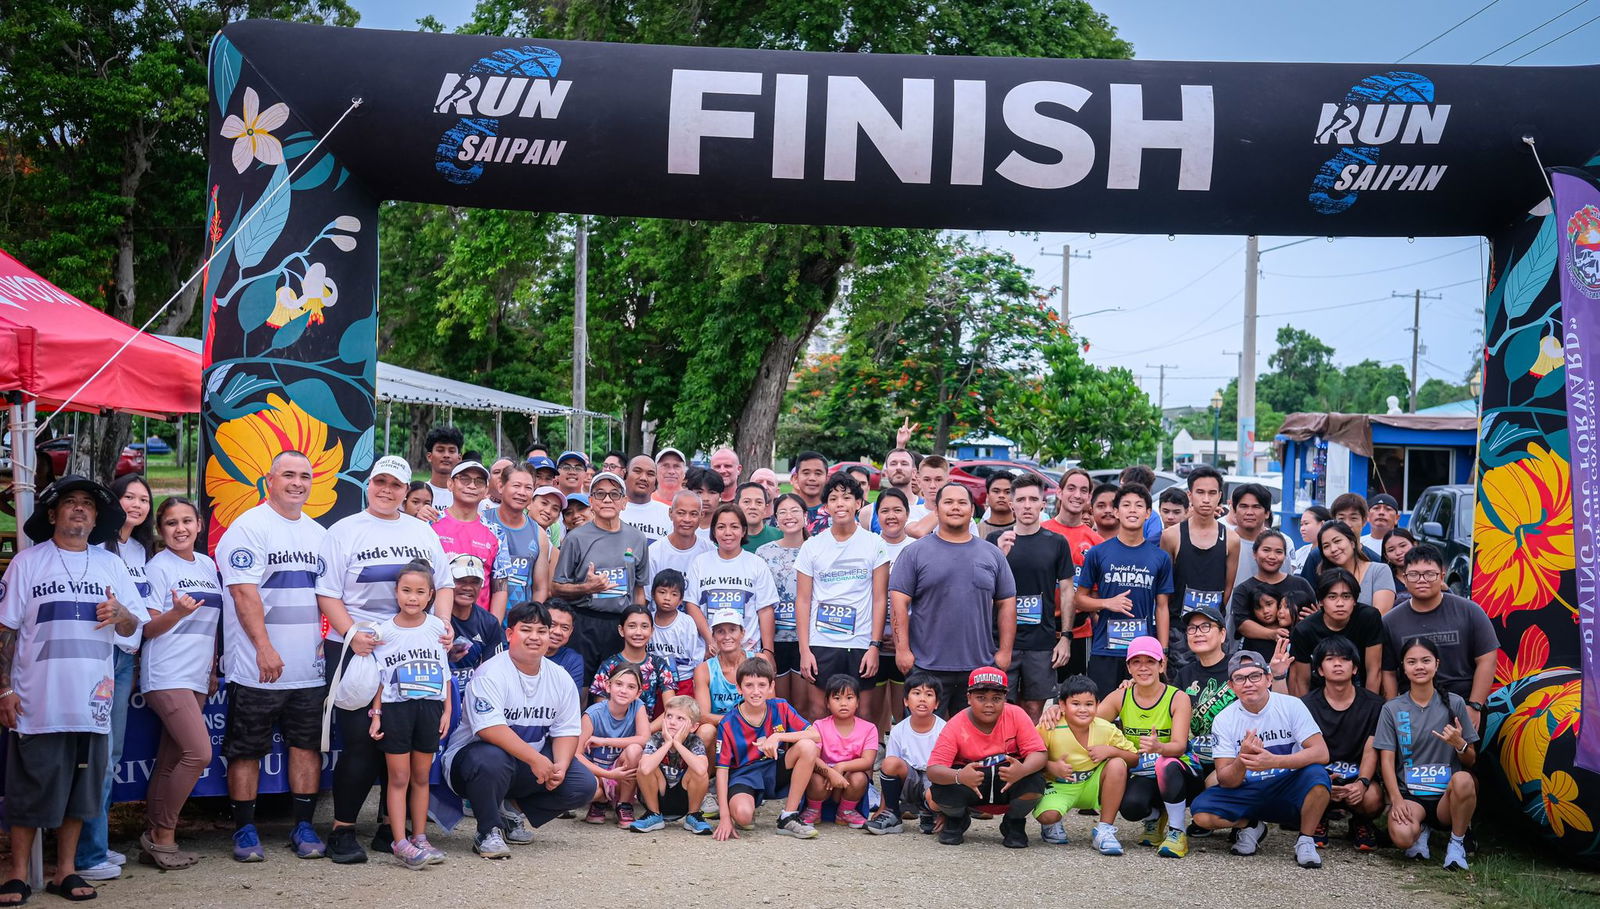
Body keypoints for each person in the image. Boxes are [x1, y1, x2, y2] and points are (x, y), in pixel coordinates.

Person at [0, 475, 145, 903]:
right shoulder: (29, 563)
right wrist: (4, 691)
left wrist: (120, 612)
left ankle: (65, 871)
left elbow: (133, 627)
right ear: (53, 514)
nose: (79, 508)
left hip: (92, 701)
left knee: (80, 794)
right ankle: (17, 874)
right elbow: (5, 631)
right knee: (29, 788)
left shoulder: (110, 564)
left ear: (97, 517)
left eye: (87, 504)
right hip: (37, 699)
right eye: (69, 503)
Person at [316, 454, 455, 863]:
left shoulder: (422, 531)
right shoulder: (343, 530)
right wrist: (352, 633)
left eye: (396, 485)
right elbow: (327, 592)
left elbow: (442, 584)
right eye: (380, 482)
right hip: (361, 647)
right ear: (368, 484)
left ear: (405, 490)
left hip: (412, 651)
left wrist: (440, 628)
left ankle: (386, 830)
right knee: (361, 741)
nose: (386, 490)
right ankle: (342, 830)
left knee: (404, 740)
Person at [216, 451, 329, 863]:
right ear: (269, 480)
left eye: (305, 476)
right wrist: (264, 647)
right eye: (289, 475)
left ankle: (303, 825)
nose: (297, 483)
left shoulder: (319, 534)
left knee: (306, 749)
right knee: (247, 750)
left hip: (309, 671)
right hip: (258, 668)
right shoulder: (247, 529)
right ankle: (245, 829)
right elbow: (244, 594)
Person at [443, 601, 594, 858]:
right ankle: (487, 831)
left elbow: (567, 730)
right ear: (510, 634)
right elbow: (490, 729)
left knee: (582, 783)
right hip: (472, 764)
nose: (535, 637)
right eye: (526, 630)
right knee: (492, 757)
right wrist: (536, 759)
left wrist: (560, 765)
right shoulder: (490, 673)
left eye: (541, 630)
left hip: (523, 766)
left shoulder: (560, 678)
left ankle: (510, 811)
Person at [77, 473, 156, 881]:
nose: (137, 505)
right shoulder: (95, 548)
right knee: (96, 756)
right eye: (129, 496)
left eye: (144, 499)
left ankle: (96, 843)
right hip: (98, 655)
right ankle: (86, 851)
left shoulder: (142, 550)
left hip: (127, 658)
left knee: (111, 756)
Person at [1189, 650, 1332, 869]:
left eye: (1255, 676)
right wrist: (1242, 759)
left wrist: (1274, 761)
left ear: (1268, 679)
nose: (1248, 683)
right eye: (1240, 678)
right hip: (1249, 788)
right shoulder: (1224, 719)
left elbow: (1321, 753)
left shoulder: (1291, 705)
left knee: (1318, 776)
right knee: (1201, 812)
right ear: (1231, 686)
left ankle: (1306, 839)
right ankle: (1252, 826)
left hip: (1287, 785)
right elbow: (1225, 779)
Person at [138, 497, 222, 870]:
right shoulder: (157, 567)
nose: (180, 528)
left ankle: (153, 836)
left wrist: (213, 668)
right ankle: (164, 836)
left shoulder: (207, 564)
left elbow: (213, 624)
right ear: (161, 530)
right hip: (166, 673)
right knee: (198, 753)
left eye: (187, 521)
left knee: (171, 759)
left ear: (199, 525)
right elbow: (147, 629)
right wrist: (176, 612)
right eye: (171, 523)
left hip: (197, 675)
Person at [889, 483, 1017, 716]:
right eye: (948, 502)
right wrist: (903, 650)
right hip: (926, 665)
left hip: (979, 665)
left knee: (973, 743)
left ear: (972, 510)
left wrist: (1005, 652)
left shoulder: (992, 554)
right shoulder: (914, 553)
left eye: (962, 503)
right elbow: (899, 603)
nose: (955, 508)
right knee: (923, 740)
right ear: (936, 510)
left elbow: (1007, 603)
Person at [368, 560, 452, 869]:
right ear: (396, 592)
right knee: (398, 777)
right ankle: (399, 840)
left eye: (419, 592)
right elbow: (378, 676)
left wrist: (447, 710)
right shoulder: (383, 631)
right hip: (396, 709)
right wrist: (377, 714)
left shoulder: (437, 628)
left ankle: (420, 837)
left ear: (431, 595)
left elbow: (445, 672)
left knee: (421, 777)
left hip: (429, 709)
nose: (412, 598)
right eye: (406, 591)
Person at [1377, 636, 1478, 870]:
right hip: (1411, 797)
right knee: (1402, 837)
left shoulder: (1455, 704)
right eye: (1412, 662)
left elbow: (1470, 759)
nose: (1419, 667)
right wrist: (1396, 799)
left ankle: (1456, 844)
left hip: (1446, 799)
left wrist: (1459, 743)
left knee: (1464, 779)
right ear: (1403, 667)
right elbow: (1387, 761)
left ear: (1437, 664)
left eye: (1426, 660)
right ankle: (1421, 829)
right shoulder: (1392, 708)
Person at [796, 474, 889, 721]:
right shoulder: (812, 546)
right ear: (826, 507)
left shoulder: (875, 543)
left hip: (860, 642)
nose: (840, 504)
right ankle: (820, 761)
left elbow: (880, 598)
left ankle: (861, 761)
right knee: (818, 711)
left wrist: (874, 646)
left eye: (847, 497)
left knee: (863, 713)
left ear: (859, 503)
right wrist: (805, 650)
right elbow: (803, 600)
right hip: (821, 642)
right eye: (834, 498)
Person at [925, 666, 1048, 848]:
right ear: (968, 698)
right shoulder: (956, 724)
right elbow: (934, 770)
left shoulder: (1016, 714)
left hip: (1007, 781)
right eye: (981, 698)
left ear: (1005, 699)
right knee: (940, 790)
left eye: (996, 698)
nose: (989, 704)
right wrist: (959, 777)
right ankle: (957, 819)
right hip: (970, 783)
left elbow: (1039, 753)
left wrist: (1022, 770)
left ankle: (1014, 822)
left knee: (1035, 780)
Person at [1097, 637, 1195, 858]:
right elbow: (1087, 721)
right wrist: (1057, 712)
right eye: (1136, 662)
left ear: (1162, 665)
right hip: (1143, 772)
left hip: (1177, 771)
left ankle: (1177, 832)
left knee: (1168, 765)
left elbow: (1179, 746)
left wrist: (1159, 746)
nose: (1143, 667)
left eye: (1150, 661)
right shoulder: (1120, 696)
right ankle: (1154, 817)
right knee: (1130, 807)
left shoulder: (1177, 697)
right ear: (1128, 667)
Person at [988, 473, 1073, 721]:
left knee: (1035, 709)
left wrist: (1065, 637)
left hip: (1041, 640)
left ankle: (1029, 757)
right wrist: (998, 556)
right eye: (1021, 499)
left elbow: (1068, 591)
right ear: (1011, 504)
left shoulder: (1056, 542)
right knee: (1000, 706)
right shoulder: (995, 540)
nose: (1027, 505)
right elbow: (982, 587)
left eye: (1033, 499)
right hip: (1002, 641)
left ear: (1042, 504)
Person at [1074, 484, 1173, 697]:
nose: (1132, 510)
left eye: (1139, 506)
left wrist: (1163, 651)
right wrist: (1106, 603)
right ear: (1117, 512)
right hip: (1104, 650)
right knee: (1101, 714)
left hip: (1144, 653)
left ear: (1148, 513)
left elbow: (1162, 607)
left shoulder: (1160, 557)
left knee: (1139, 713)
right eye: (1126, 505)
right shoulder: (1097, 553)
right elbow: (1079, 600)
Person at [1380, 544, 1497, 724]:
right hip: (1412, 710)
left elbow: (1487, 659)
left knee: (1468, 753)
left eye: (1429, 574)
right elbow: (1388, 672)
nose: (1421, 580)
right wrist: (1394, 712)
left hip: (1462, 704)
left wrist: (1474, 706)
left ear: (1442, 576)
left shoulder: (1470, 611)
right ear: (1404, 578)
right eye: (1414, 574)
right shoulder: (1390, 621)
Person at [551, 472, 650, 681]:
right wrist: (586, 588)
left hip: (620, 625)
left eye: (614, 494)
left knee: (619, 686)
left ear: (624, 502)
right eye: (600, 494)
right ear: (591, 501)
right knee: (582, 685)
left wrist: (640, 625)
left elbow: (639, 589)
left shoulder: (638, 538)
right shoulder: (575, 538)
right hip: (584, 622)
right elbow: (556, 588)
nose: (607, 499)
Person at [712, 657, 823, 841]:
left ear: (771, 686)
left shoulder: (780, 707)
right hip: (744, 775)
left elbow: (815, 735)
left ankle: (788, 816)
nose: (756, 691)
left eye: (762, 685)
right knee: (743, 817)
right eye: (749, 685)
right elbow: (722, 772)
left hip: (774, 767)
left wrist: (778, 736)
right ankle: (742, 805)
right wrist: (724, 818)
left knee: (807, 746)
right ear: (739, 688)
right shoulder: (728, 723)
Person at [1033, 674, 1138, 854]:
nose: (1083, 709)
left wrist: (1111, 751)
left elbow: (1134, 758)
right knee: (1048, 816)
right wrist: (1051, 767)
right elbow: (1030, 756)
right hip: (1059, 785)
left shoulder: (1106, 728)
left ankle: (1104, 829)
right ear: (1063, 705)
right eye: (1076, 704)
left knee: (1117, 764)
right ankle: (1051, 824)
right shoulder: (1049, 726)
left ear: (1097, 705)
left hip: (1092, 784)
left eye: (1089, 704)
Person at [1300, 636, 1385, 852]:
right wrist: (1322, 780)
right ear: (1319, 670)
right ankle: (1318, 818)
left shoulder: (1375, 705)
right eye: (1330, 659)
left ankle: (1360, 822)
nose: (1338, 664)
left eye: (1345, 659)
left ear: (1355, 668)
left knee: (1373, 798)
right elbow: (1303, 750)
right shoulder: (1306, 705)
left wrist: (1362, 783)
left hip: (1356, 779)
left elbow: (1371, 750)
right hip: (1321, 777)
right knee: (1306, 788)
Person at [1161, 465, 1238, 669]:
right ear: (1190, 495)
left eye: (1212, 493)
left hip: (1214, 628)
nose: (1206, 499)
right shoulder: (1171, 536)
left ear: (1220, 496)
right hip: (1179, 631)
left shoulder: (1231, 539)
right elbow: (1165, 591)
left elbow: (1227, 588)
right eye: (1200, 492)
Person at [687, 504, 778, 663]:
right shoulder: (700, 563)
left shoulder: (756, 564)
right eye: (721, 527)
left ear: (743, 531)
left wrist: (768, 651)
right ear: (713, 531)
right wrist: (711, 641)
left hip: (749, 653)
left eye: (734, 527)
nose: (728, 533)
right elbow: (692, 605)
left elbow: (765, 610)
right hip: (711, 654)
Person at [866, 671, 946, 835]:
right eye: (916, 693)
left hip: (934, 780)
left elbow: (947, 771)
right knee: (889, 762)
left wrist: (946, 812)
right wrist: (882, 808)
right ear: (906, 701)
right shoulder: (899, 730)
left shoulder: (944, 729)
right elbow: (888, 769)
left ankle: (931, 812)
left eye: (929, 694)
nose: (922, 699)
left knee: (935, 798)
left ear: (937, 703)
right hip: (909, 781)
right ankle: (892, 813)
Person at [1041, 468, 1103, 678]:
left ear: (1089, 497)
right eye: (1071, 488)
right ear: (1059, 492)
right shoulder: (1041, 532)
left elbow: (1095, 595)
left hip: (1079, 631)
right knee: (1036, 701)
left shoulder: (1096, 543)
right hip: (1040, 630)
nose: (1077, 495)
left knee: (1075, 697)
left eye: (1083, 490)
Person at [432, 461, 511, 619]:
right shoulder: (430, 524)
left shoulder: (496, 532)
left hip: (477, 626)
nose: (472, 486)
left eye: (479, 481)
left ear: (486, 489)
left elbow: (500, 587)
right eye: (465, 479)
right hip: (434, 622)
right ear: (450, 484)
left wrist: (492, 626)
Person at [1288, 568, 1384, 695]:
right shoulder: (1304, 629)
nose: (1340, 603)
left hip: (1360, 686)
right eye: (1332, 597)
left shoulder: (1369, 617)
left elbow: (1374, 669)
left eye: (1346, 596)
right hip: (1319, 691)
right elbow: (1302, 681)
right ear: (1321, 602)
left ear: (1354, 600)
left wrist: (1371, 707)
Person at [800, 675, 880, 828]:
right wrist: (830, 773)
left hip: (848, 779)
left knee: (859, 778)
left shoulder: (869, 728)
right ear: (827, 703)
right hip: (824, 778)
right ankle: (813, 810)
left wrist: (841, 767)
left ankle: (846, 812)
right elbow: (812, 757)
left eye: (849, 697)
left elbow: (868, 761)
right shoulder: (819, 725)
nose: (843, 703)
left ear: (857, 702)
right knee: (814, 778)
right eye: (837, 698)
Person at [576, 663, 650, 827]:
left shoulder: (638, 707)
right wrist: (607, 775)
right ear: (608, 686)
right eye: (618, 684)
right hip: (597, 773)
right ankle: (600, 801)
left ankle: (624, 804)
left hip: (622, 774)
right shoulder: (592, 714)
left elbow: (644, 738)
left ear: (638, 693)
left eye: (631, 687)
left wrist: (604, 741)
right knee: (583, 789)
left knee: (635, 750)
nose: (623, 690)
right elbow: (576, 754)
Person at [628, 696, 713, 835]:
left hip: (684, 798)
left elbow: (702, 770)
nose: (672, 722)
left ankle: (693, 815)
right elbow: (645, 769)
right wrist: (668, 743)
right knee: (647, 764)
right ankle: (654, 814)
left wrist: (678, 744)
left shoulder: (694, 741)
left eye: (680, 718)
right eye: (669, 716)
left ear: (693, 726)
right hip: (658, 796)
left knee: (698, 768)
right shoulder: (656, 738)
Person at [757, 493, 809, 705]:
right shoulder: (764, 552)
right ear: (775, 518)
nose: (789, 516)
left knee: (803, 704)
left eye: (795, 510)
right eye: (783, 512)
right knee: (778, 704)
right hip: (774, 638)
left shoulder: (816, 548)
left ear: (805, 515)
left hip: (806, 639)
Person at [1230, 529, 1316, 646]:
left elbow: (1315, 615)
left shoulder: (1301, 584)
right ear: (1255, 553)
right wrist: (1272, 633)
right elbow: (1242, 624)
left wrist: (1315, 617)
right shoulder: (1243, 589)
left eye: (1279, 552)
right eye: (1266, 550)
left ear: (1285, 555)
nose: (1272, 556)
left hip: (1298, 654)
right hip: (1256, 657)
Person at [589, 604, 677, 718]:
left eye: (644, 626)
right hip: (612, 732)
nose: (638, 632)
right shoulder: (608, 666)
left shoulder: (659, 665)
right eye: (632, 626)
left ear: (652, 631)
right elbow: (600, 711)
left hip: (649, 731)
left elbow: (671, 709)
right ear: (621, 630)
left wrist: (645, 731)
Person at [484, 462, 550, 609]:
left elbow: (540, 588)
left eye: (528, 488)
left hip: (520, 622)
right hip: (484, 620)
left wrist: (530, 619)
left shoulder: (539, 534)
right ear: (501, 486)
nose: (522, 492)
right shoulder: (483, 522)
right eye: (516, 485)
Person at [445, 554, 506, 694]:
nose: (468, 587)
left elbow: (494, 669)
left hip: (474, 695)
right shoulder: (433, 618)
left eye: (474, 582)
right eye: (460, 581)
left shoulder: (489, 623)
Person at [1298, 494, 1382, 585]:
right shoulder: (1316, 556)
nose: (1347, 524)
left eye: (1353, 518)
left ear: (1364, 521)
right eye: (1341, 519)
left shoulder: (1375, 561)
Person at [645, 569, 704, 697]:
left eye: (674, 594)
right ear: (653, 594)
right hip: (652, 682)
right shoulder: (646, 621)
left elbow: (696, 655)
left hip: (683, 681)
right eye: (662, 592)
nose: (667, 598)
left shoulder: (686, 622)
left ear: (681, 599)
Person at [1316, 520, 1396, 614]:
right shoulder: (1324, 579)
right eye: (1326, 546)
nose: (1333, 549)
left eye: (1337, 541)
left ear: (1352, 543)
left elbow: (1380, 615)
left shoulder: (1379, 571)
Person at [646, 490, 711, 583]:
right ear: (670, 513)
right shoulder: (654, 553)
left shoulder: (709, 551)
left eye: (693, 514)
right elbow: (647, 595)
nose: (687, 519)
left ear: (701, 516)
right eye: (681, 513)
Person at [1227, 483, 1273, 588]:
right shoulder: (1223, 541)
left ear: (1267, 513)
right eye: (1243, 506)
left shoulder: (1280, 543)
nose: (1249, 512)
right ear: (1234, 511)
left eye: (1256, 507)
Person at [863, 447, 918, 533]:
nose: (898, 468)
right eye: (893, 464)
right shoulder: (868, 512)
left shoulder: (928, 510)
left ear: (914, 472)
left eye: (904, 463)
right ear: (886, 472)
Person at [619, 455, 671, 543]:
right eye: (637, 471)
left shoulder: (669, 515)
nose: (643, 478)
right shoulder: (611, 510)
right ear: (625, 474)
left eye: (650, 474)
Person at [543, 602, 587, 691]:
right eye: (552, 624)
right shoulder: (521, 652)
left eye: (565, 628)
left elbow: (571, 698)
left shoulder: (573, 660)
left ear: (571, 631)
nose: (557, 632)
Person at [422, 425, 464, 510]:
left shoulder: (467, 494)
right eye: (440, 450)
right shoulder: (419, 493)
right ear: (429, 456)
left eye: (451, 451)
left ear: (459, 458)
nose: (446, 455)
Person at [789, 450, 831, 534]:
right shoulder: (784, 512)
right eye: (806, 473)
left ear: (826, 478)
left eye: (818, 473)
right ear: (796, 478)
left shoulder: (836, 512)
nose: (812, 478)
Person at [738, 482, 782, 551]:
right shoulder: (727, 539)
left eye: (759, 502)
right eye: (746, 502)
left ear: (765, 508)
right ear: (736, 506)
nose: (753, 507)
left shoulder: (779, 536)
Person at [685, 467, 725, 539]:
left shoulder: (727, 529)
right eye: (699, 492)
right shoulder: (678, 526)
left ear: (720, 495)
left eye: (712, 493)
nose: (705, 498)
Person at [1292, 505, 1331, 574]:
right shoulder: (1300, 552)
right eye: (1301, 524)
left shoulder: (1332, 552)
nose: (1302, 529)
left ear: (1322, 524)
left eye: (1306, 523)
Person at [1381, 528, 1417, 598]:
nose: (1398, 552)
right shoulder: (1384, 581)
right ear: (1386, 556)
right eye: (1391, 550)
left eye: (1403, 546)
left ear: (1414, 545)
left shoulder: (1431, 573)